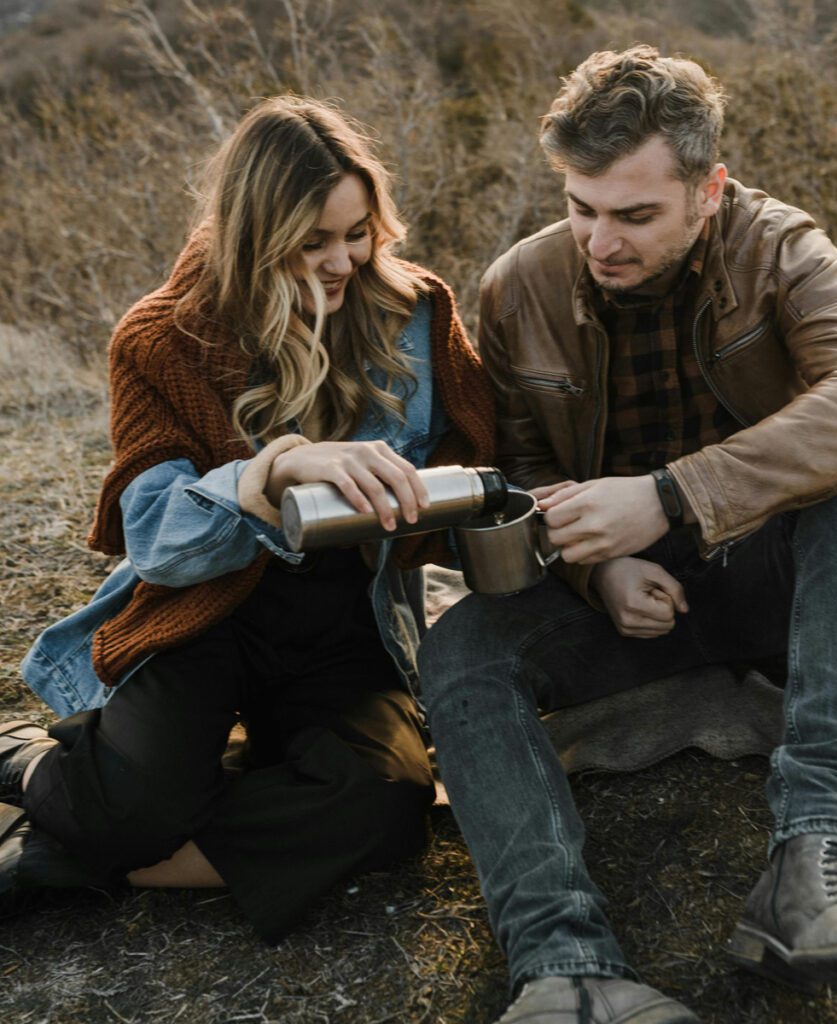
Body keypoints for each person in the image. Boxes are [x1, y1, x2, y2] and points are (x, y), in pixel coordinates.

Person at [418, 46, 837, 1023]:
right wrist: (597, 568)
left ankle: (810, 876)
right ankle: (563, 964)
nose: (598, 240)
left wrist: (670, 494)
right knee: (457, 651)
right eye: (580, 207)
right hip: (623, 607)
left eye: (634, 214)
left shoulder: (782, 247)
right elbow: (525, 469)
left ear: (709, 191)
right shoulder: (517, 288)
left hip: (777, 579)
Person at [2, 95, 493, 942]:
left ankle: (86, 854)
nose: (342, 261)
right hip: (208, 609)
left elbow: (487, 454)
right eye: (312, 242)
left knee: (383, 805)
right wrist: (268, 473)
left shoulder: (416, 313)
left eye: (358, 231)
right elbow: (155, 542)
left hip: (346, 621)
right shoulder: (159, 340)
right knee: (142, 805)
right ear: (256, 233)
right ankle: (27, 755)